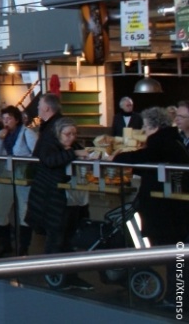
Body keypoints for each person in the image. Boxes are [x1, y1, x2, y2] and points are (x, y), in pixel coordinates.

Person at [110, 105, 189, 308]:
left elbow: (141, 158)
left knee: (174, 255)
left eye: (145, 126)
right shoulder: (174, 141)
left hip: (165, 210)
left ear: (153, 126)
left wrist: (117, 157)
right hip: (174, 208)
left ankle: (176, 299)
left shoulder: (160, 144)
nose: (143, 130)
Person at [27, 113, 94, 290]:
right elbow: (50, 161)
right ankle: (54, 275)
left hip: (69, 200)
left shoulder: (72, 146)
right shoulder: (49, 145)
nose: (71, 138)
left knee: (69, 238)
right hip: (50, 199)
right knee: (55, 237)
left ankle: (70, 276)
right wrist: (75, 153)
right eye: (68, 134)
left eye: (74, 134)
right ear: (58, 133)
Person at [0, 106, 37, 256]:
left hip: (22, 172)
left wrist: (23, 160)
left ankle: (23, 247)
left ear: (16, 120)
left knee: (23, 209)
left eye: (9, 118)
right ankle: (6, 245)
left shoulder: (27, 134)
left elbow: (36, 154)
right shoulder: (1, 134)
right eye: (3, 119)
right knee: (0, 209)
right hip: (6, 171)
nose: (6, 122)